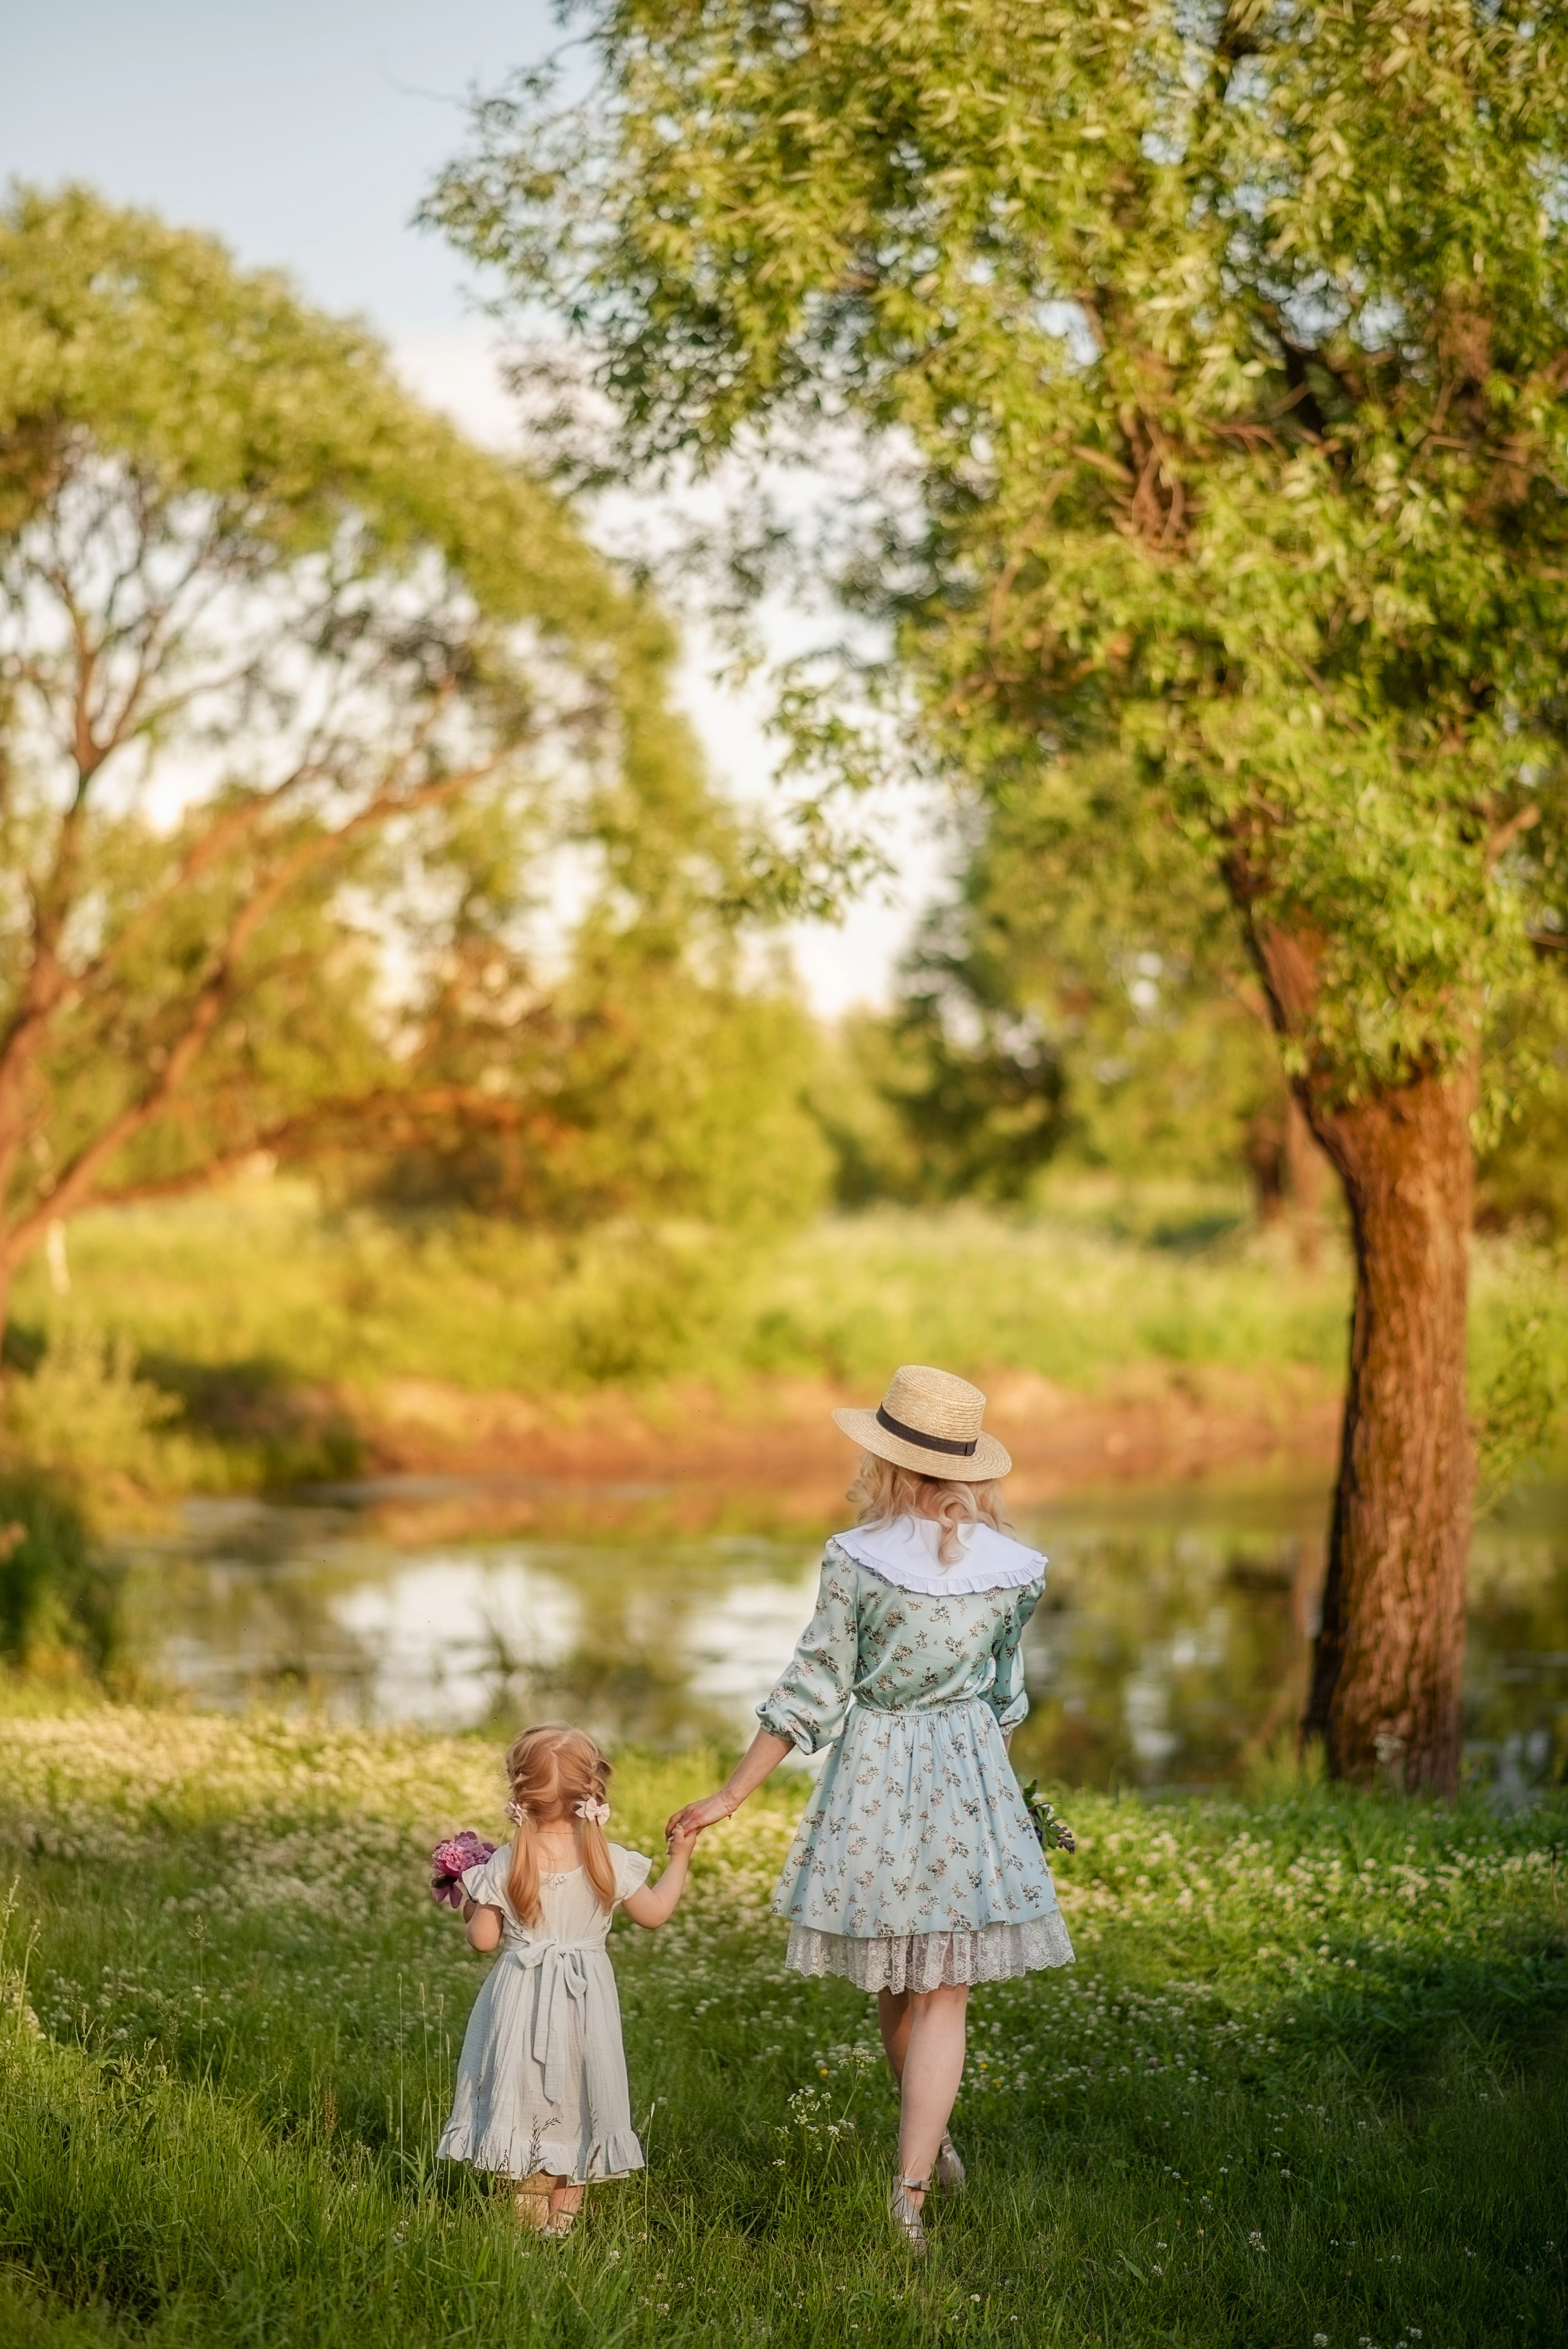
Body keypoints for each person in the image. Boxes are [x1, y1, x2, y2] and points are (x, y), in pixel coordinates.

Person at [666, 1365, 1072, 2253]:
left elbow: (813, 1687)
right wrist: (990, 1799)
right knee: (934, 1987)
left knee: (907, 1980)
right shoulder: (1015, 1573)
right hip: (968, 1770)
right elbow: (1008, 1698)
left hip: (880, 1770)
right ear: (967, 1466)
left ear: (885, 1459)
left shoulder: (856, 1559)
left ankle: (913, 2186)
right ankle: (923, 2161)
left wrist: (732, 1793)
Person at [439, 1720, 696, 2235]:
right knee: (580, 2098)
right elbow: (656, 1913)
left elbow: (483, 1940)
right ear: (593, 1791)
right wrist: (680, 1857)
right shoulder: (609, 1860)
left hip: (520, 1998)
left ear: (519, 1793)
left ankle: (525, 2223)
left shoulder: (507, 1863)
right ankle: (561, 2230)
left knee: (521, 2092)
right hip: (586, 2002)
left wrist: (472, 1895)